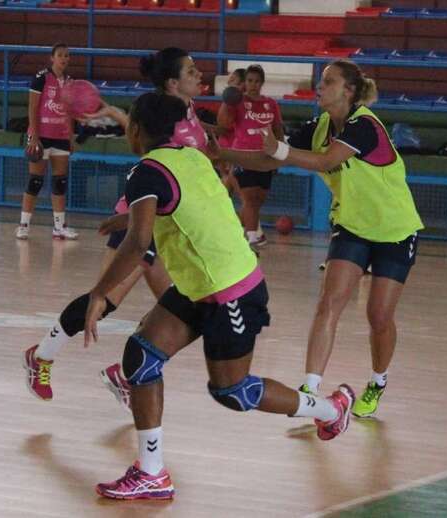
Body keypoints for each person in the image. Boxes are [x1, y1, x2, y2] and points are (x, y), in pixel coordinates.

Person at [82, 92, 354, 501]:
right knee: (141, 358)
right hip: (199, 285)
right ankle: (152, 473)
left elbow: (137, 244)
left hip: (231, 291)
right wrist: (133, 214)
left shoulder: (146, 172)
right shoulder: (191, 155)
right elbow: (186, 203)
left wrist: (100, 293)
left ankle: (332, 410)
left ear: (135, 130)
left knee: (233, 391)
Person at [214, 59, 423, 418]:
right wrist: (222, 152)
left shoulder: (364, 126)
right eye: (320, 81)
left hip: (395, 229)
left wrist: (279, 150)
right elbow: (270, 160)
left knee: (378, 317)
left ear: (349, 91)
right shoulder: (320, 125)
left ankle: (378, 380)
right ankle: (310, 389)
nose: (319, 87)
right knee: (329, 303)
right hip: (352, 226)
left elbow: (326, 161)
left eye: (327, 82)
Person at [22, 47, 211, 406]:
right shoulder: (160, 110)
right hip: (144, 215)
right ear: (173, 81)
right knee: (117, 300)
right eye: (192, 70)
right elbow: (145, 146)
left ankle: (122, 375)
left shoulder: (186, 110)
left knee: (174, 309)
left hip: (172, 223)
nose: (200, 74)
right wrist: (115, 117)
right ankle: (46, 356)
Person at [16, 43, 78, 241]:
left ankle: (59, 227)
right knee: (35, 180)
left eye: (67, 55)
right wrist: (34, 135)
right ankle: (23, 225)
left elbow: (70, 112)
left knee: (60, 182)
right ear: (52, 58)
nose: (64, 58)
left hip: (61, 136)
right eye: (60, 55)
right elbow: (32, 108)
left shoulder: (70, 82)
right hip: (41, 136)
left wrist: (71, 137)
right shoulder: (41, 77)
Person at [217, 65, 284, 248]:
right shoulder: (238, 102)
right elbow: (223, 123)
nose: (253, 85)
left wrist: (279, 153)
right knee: (249, 198)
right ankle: (252, 238)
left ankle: (245, 233)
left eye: (256, 81)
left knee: (259, 199)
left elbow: (278, 129)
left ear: (262, 83)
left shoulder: (271, 104)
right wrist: (229, 100)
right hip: (243, 156)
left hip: (265, 157)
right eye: (249, 81)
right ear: (245, 82)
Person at [215, 68, 245, 193]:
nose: (229, 81)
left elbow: (225, 125)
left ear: (242, 84)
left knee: (230, 179)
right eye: (230, 78)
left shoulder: (243, 101)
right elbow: (222, 125)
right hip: (225, 145)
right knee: (225, 177)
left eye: (233, 79)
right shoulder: (228, 99)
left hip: (237, 147)